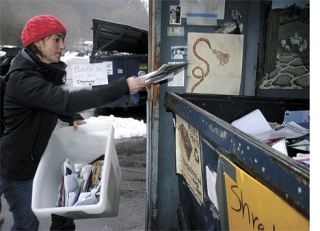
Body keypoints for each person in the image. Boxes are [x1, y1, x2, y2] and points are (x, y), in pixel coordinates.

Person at [0, 15, 151, 231]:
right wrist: (123, 86)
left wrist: (70, 116)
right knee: (27, 224)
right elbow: (64, 100)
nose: (62, 46)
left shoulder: (42, 71)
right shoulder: (24, 79)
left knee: (63, 215)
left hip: (42, 159)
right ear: (38, 42)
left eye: (63, 40)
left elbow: (50, 102)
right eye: (56, 39)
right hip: (18, 169)